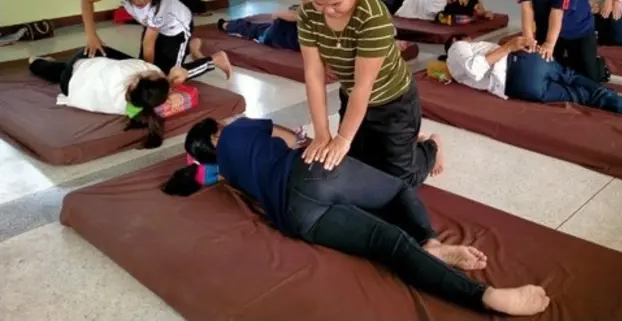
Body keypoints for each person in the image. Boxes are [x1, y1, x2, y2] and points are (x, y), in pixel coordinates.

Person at [162, 117, 551, 317]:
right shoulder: (239, 129)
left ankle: (487, 298)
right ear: (215, 133)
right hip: (309, 172)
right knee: (397, 190)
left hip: (296, 218)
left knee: (388, 244)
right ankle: (430, 240)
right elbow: (292, 138)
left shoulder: (226, 172)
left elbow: (211, 174)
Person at [297, 0, 441, 187]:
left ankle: (430, 146)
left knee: (399, 181)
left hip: (394, 103)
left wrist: (343, 138)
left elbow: (364, 86)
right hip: (352, 97)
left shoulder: (372, 16)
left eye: (336, 3)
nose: (327, 11)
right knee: (355, 167)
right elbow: (313, 75)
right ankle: (408, 143)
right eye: (319, 3)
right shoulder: (308, 14)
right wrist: (322, 133)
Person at [445, 35, 622, 122]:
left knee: (582, 92)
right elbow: (476, 69)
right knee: (576, 80)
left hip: (522, 85)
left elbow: (474, 73)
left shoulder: (457, 67)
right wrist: (508, 46)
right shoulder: (457, 48)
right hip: (520, 66)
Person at [28, 48, 232, 148]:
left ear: (134, 82)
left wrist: (165, 81)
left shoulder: (129, 70)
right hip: (71, 85)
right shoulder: (131, 106)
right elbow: (152, 89)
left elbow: (148, 69)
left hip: (76, 71)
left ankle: (35, 62)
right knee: (58, 70)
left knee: (94, 50)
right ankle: (39, 63)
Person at [82, 0, 201, 75]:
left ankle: (214, 59)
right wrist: (91, 36)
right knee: (142, 67)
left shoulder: (159, 5)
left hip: (177, 29)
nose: (142, 0)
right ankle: (190, 48)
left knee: (170, 76)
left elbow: (148, 44)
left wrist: (148, 77)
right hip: (151, 25)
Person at [217, 10, 300, 51]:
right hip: (280, 30)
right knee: (256, 26)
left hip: (272, 35)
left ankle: (226, 25)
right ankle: (227, 25)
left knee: (250, 28)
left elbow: (275, 15)